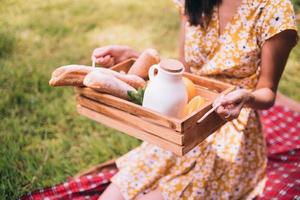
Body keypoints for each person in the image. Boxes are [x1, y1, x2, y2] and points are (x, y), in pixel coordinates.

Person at [92, 0, 298, 199]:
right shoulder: (193, 1)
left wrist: (246, 97)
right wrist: (136, 58)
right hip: (184, 118)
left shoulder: (274, 9)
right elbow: (184, 69)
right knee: (114, 194)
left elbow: (267, 91)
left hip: (230, 129)